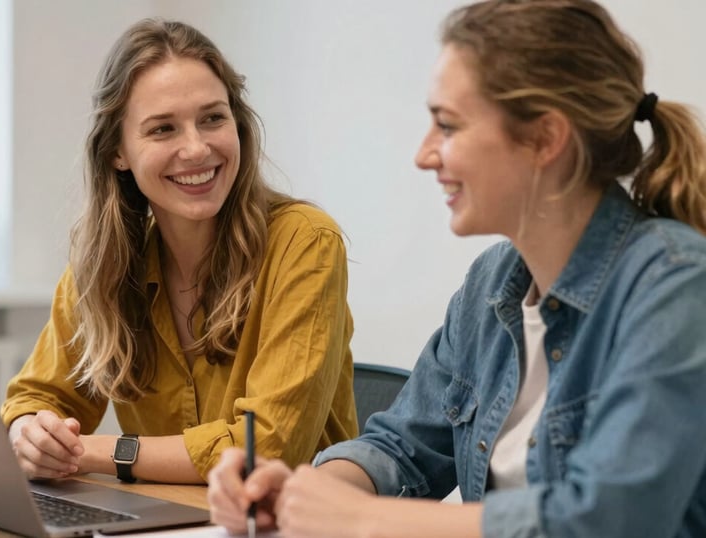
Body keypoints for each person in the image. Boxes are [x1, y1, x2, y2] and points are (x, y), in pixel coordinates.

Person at [206, 0, 706, 536]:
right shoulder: (491, 284)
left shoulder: (674, 285)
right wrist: (310, 491)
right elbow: (400, 447)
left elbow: (608, 519)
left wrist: (365, 518)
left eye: (447, 125)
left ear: (545, 138)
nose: (424, 155)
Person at [1, 18, 358, 485]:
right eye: (163, 129)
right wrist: (32, 435)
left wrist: (92, 451)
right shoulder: (106, 263)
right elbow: (39, 397)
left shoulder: (305, 242)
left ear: (238, 124)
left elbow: (266, 449)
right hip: (166, 520)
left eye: (213, 118)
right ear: (118, 152)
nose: (196, 148)